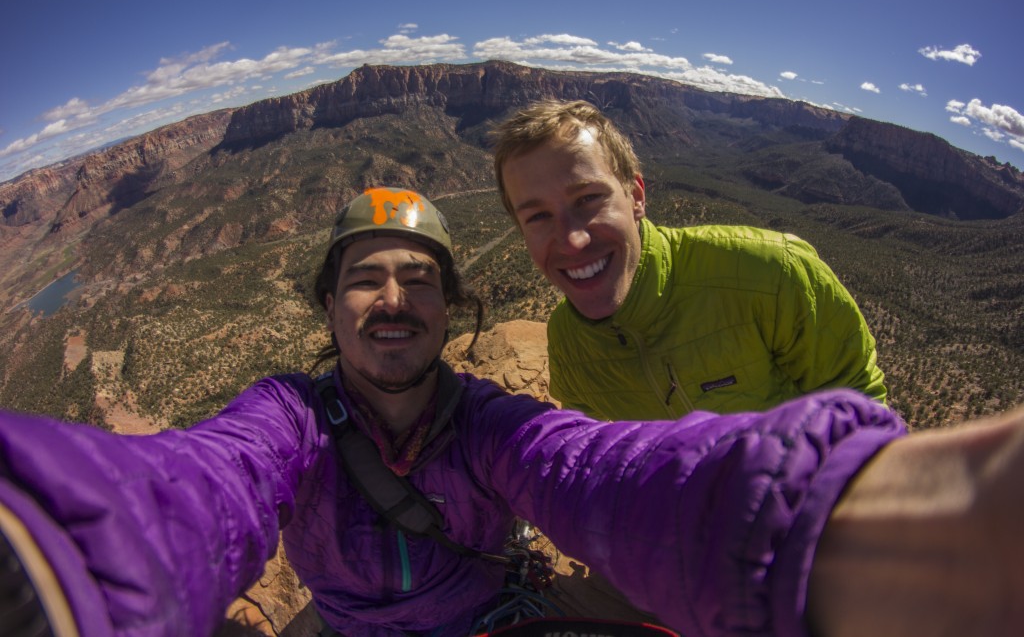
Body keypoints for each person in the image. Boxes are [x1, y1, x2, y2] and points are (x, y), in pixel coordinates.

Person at [0, 186, 1021, 637]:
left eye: (419, 281)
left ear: (451, 308)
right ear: (327, 305)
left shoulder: (489, 423)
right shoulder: (289, 417)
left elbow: (606, 476)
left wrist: (835, 523)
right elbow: (198, 483)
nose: (393, 301)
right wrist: (59, 557)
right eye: (365, 280)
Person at [491, 100, 887, 421]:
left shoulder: (771, 274)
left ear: (636, 196)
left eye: (588, 199)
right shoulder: (568, 343)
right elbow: (594, 450)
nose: (573, 240)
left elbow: (860, 407)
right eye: (538, 217)